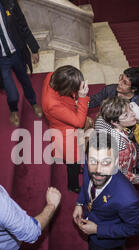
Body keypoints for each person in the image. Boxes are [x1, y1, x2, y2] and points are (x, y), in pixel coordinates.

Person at [73, 131, 139, 250]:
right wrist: (79, 202)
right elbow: (86, 185)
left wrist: (98, 230)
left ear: (116, 162)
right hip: (91, 215)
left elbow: (134, 228)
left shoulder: (128, 199)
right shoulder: (89, 167)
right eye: (93, 161)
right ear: (87, 158)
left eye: (106, 162)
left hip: (106, 238)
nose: (98, 170)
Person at [90, 67, 139, 174]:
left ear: (134, 89)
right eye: (121, 77)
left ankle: (137, 170)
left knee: (136, 156)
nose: (119, 83)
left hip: (133, 137)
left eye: (125, 82)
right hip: (110, 132)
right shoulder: (109, 90)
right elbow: (93, 101)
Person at [41, 65, 93, 193]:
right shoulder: (52, 104)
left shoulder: (52, 75)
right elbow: (79, 122)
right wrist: (82, 97)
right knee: (73, 162)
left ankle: (74, 166)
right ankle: (73, 185)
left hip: (62, 123)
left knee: (73, 160)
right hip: (65, 135)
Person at [94, 96, 139, 184]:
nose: (133, 114)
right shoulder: (123, 149)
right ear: (115, 122)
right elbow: (122, 174)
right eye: (126, 115)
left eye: (130, 109)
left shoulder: (104, 121)